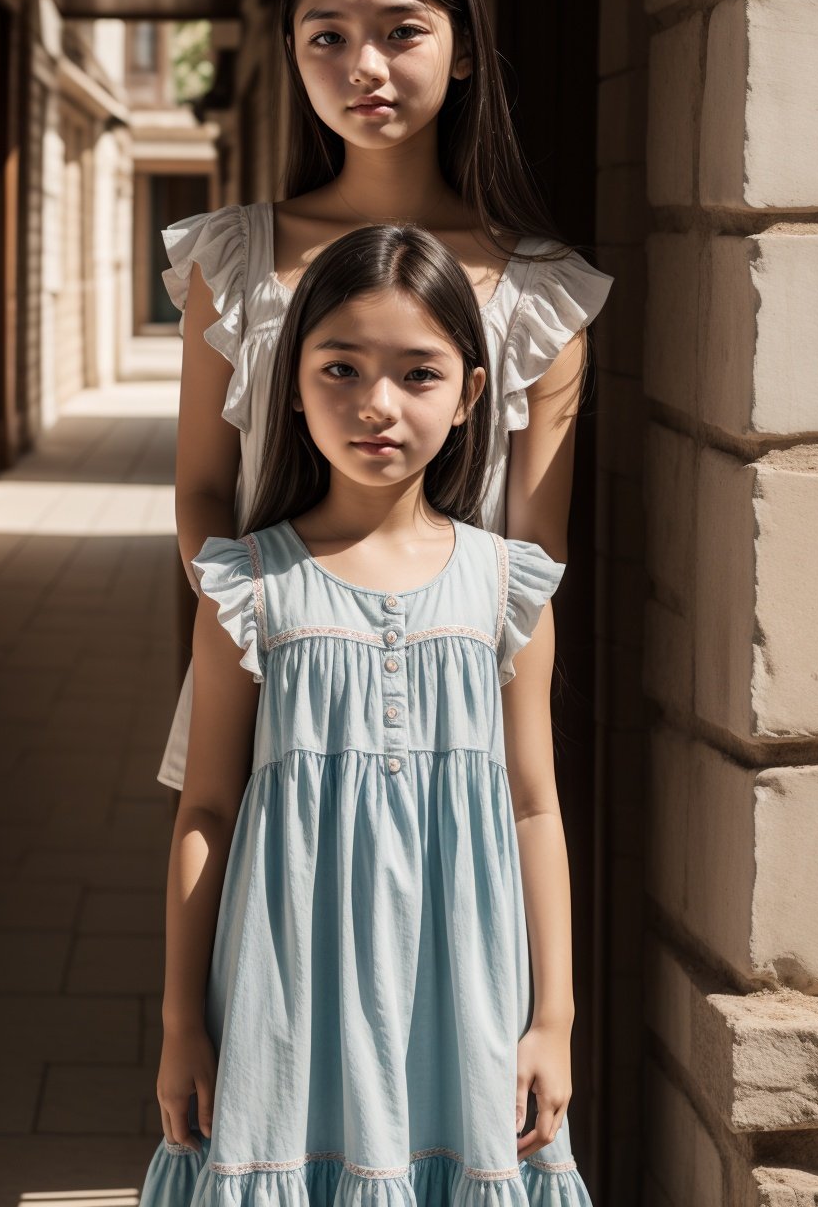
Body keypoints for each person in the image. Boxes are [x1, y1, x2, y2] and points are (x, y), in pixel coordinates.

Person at [141, 223, 595, 1207]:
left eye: (418, 373)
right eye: (339, 367)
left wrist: (550, 1018)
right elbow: (208, 810)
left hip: (462, 993)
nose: (374, 404)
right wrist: (183, 1021)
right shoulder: (246, 589)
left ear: (473, 393)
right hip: (284, 994)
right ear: (291, 384)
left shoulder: (506, 589)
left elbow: (532, 806)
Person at [156, 0, 613, 801]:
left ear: (466, 49)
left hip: (452, 714)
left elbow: (532, 551)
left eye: (402, 30)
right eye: (327, 36)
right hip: (278, 687)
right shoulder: (236, 260)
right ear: (291, 52)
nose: (364, 65)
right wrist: (269, 637)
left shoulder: (539, 291)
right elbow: (204, 489)